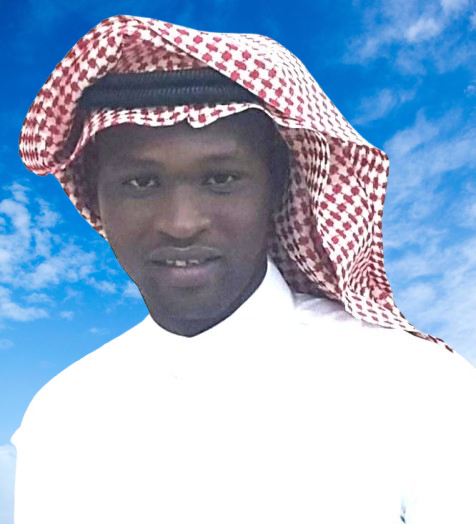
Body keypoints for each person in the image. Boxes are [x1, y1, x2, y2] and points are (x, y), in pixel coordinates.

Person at [13, 14, 476, 524]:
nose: (181, 223)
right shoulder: (61, 416)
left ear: (275, 189)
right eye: (141, 183)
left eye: (221, 179)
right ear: (97, 199)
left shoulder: (417, 387)